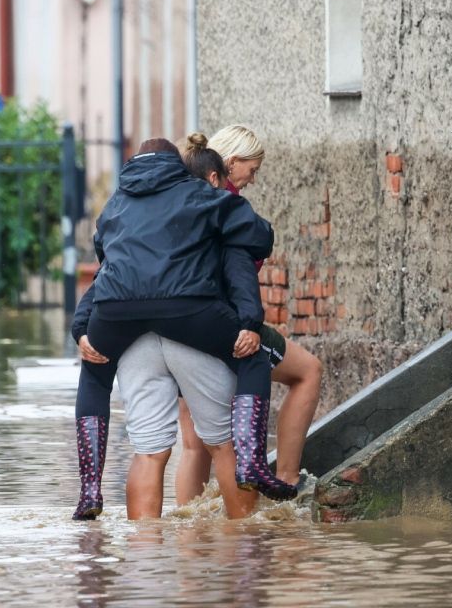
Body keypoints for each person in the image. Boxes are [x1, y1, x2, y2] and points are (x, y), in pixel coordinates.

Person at [71, 137, 296, 521]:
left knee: (131, 427)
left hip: (120, 321)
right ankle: (249, 496)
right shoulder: (202, 196)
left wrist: (80, 331)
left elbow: (106, 264)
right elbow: (260, 237)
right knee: (232, 422)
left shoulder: (115, 207)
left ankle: (93, 491)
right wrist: (248, 322)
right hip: (188, 312)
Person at [175, 126, 324, 503]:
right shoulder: (228, 204)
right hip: (226, 324)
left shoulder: (178, 199)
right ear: (229, 163)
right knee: (308, 371)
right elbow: (246, 263)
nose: (253, 178)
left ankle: (187, 531)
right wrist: (248, 324)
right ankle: (287, 480)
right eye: (252, 170)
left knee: (194, 444)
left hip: (176, 328)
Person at [116, 333, 257, 520]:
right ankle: (245, 534)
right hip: (191, 326)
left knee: (151, 452)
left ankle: (159, 542)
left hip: (135, 332)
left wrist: (81, 332)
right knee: (223, 444)